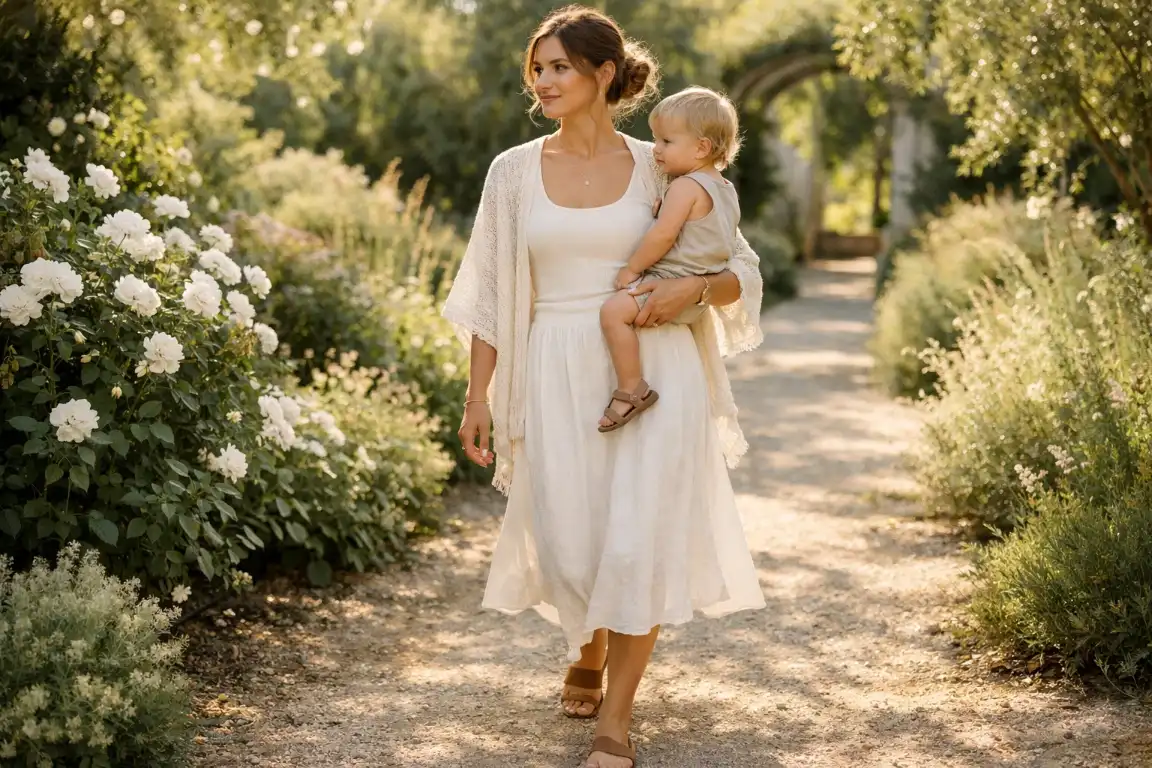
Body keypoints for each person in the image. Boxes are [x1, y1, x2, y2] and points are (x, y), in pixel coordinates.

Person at [441, 6, 766, 767]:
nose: (543, 81)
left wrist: (695, 291)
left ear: (604, 75)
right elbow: (491, 295)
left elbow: (739, 271)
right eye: (538, 67)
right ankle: (583, 644)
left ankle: (615, 723)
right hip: (553, 366)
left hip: (655, 368)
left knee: (638, 536)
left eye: (559, 67)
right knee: (571, 537)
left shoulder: (665, 164)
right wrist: (477, 396)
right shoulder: (513, 172)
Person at [597, 86, 743, 432]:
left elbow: (663, 236)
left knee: (613, 313)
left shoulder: (684, 187)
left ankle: (632, 387)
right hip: (697, 295)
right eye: (655, 140)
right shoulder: (724, 189)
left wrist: (631, 268)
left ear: (701, 148)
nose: (656, 150)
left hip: (669, 284)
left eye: (666, 142)